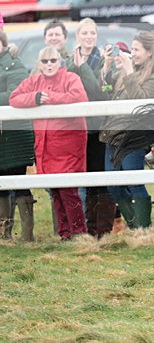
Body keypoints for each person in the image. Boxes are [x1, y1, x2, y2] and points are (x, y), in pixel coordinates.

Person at [10, 46, 89, 240]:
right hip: (46, 147)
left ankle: (78, 233)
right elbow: (14, 98)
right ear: (39, 64)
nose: (49, 64)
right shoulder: (34, 81)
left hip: (68, 146)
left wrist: (51, 99)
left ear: (60, 61)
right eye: (45, 61)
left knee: (69, 192)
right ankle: (64, 234)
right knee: (55, 192)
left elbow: (79, 97)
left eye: (53, 60)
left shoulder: (71, 78)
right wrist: (35, 98)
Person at [100, 31, 154, 229]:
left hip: (133, 137)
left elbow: (141, 101)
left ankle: (144, 229)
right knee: (113, 186)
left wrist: (128, 72)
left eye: (136, 49)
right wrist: (106, 67)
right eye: (132, 48)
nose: (133, 53)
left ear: (149, 52)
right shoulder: (127, 71)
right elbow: (106, 92)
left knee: (134, 182)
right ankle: (134, 225)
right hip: (112, 135)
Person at [68, 18, 117, 238]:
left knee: (100, 176)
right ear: (78, 36)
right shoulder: (70, 60)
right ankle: (88, 228)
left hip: (97, 127)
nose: (89, 37)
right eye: (85, 33)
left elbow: (98, 93)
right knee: (85, 178)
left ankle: (103, 230)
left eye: (92, 33)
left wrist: (83, 67)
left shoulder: (103, 61)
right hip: (76, 127)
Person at [0, 31, 35, 241]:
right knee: (1, 184)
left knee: (19, 181)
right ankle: (4, 232)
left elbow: (15, 94)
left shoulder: (15, 64)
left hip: (14, 135)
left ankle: (27, 233)